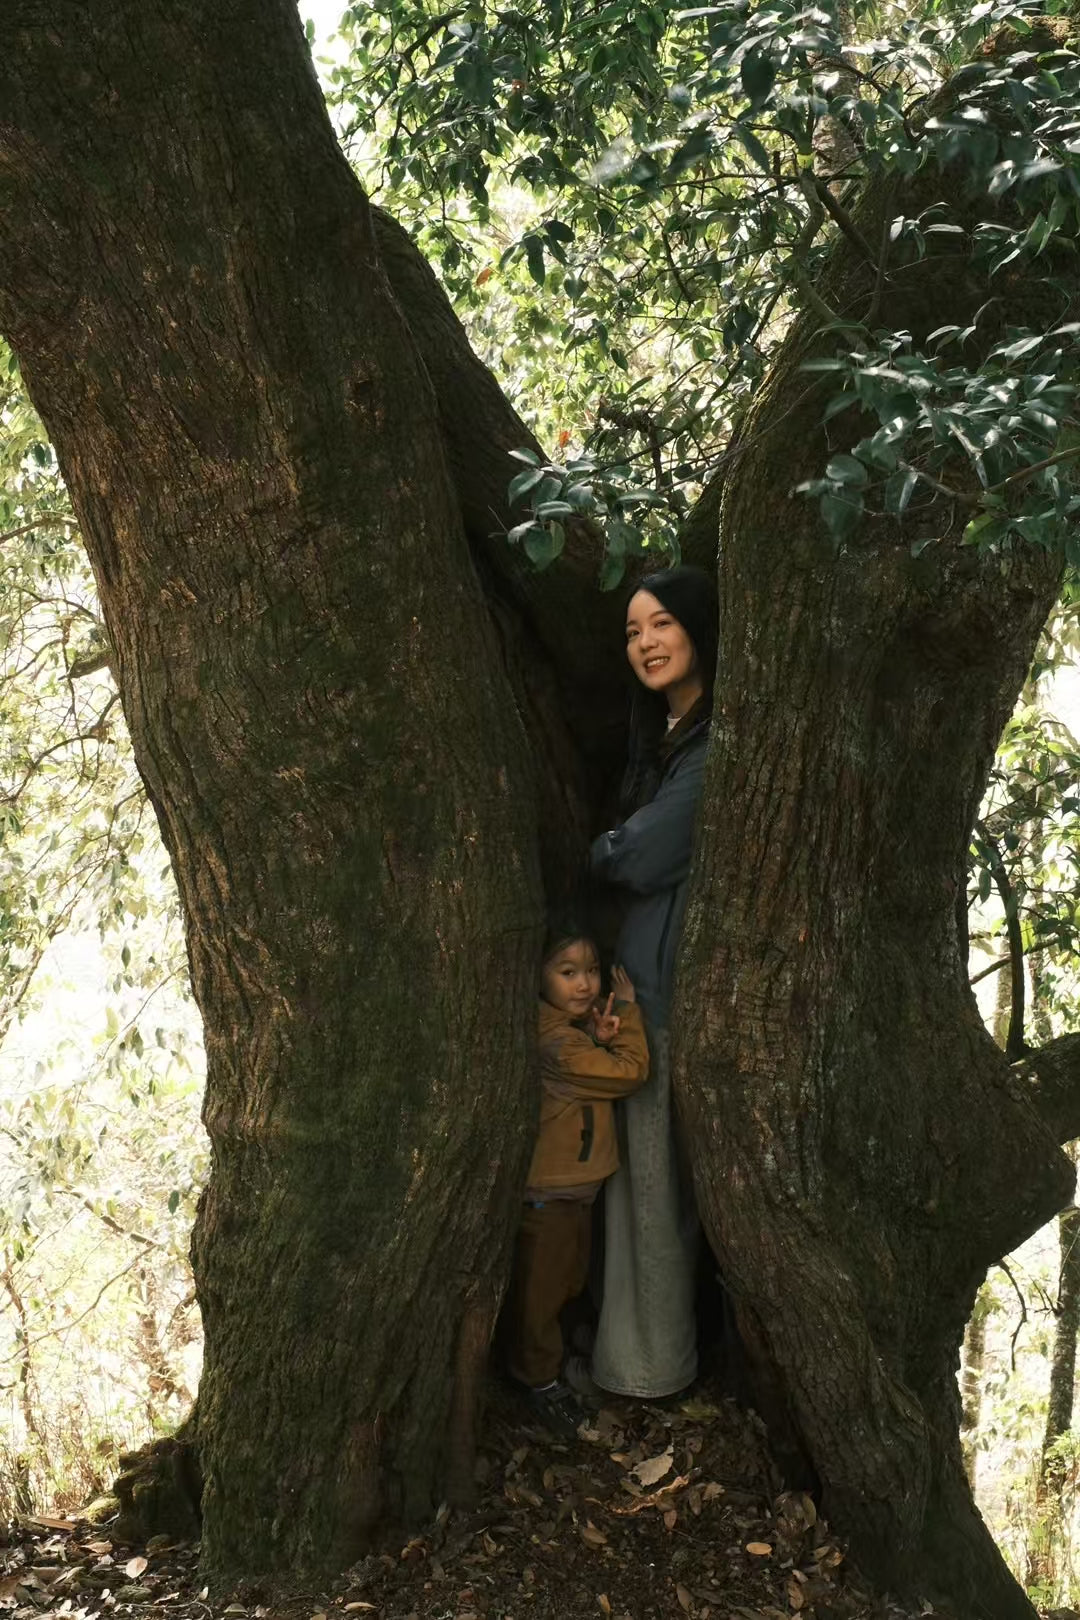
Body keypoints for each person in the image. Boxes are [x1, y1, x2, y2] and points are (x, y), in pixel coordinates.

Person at [588, 564, 718, 1400]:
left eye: (662, 623)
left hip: (666, 998)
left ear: (700, 630)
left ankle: (649, 1376)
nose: (646, 643)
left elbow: (640, 853)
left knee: (652, 1195)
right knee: (623, 1188)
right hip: (629, 993)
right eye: (634, 631)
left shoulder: (715, 741)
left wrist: (604, 847)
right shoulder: (661, 740)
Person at [506, 927, 648, 1436]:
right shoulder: (558, 1045)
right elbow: (630, 1073)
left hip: (573, 1190)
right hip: (551, 1194)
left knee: (566, 1282)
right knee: (542, 1293)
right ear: (538, 975)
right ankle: (538, 1382)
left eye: (591, 970)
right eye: (567, 973)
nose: (585, 984)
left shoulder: (567, 1032)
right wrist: (628, 1015)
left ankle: (554, 1367)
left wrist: (596, 1035)